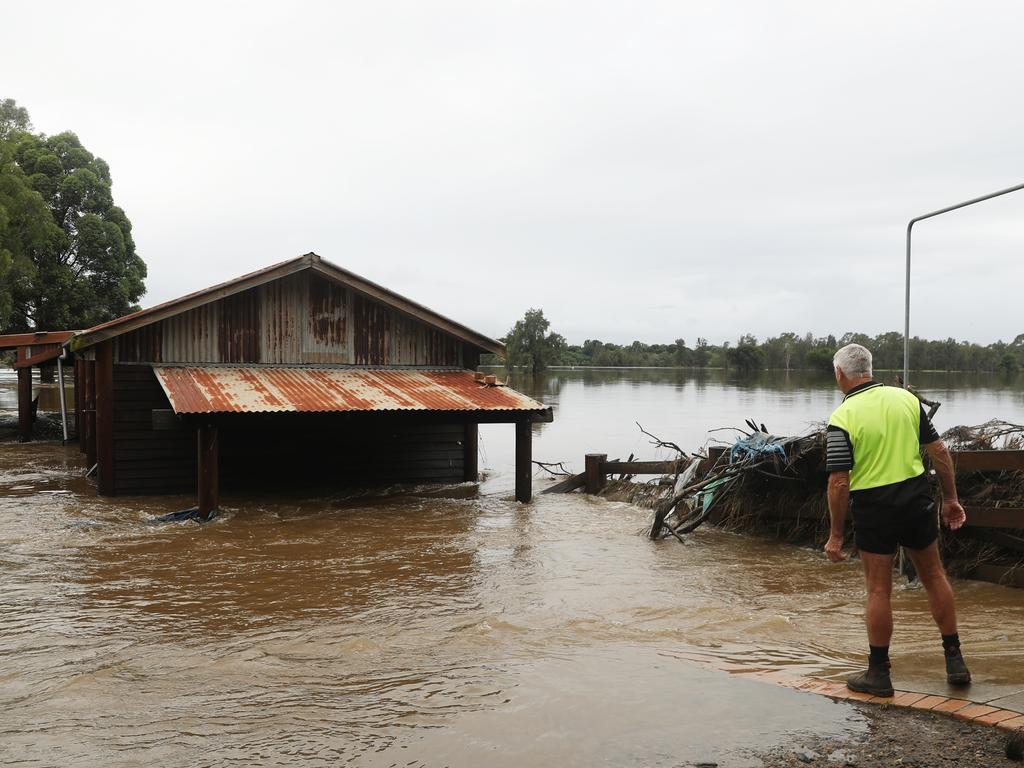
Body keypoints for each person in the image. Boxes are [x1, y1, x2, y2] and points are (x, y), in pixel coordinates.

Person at [824, 343, 970, 698]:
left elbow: (839, 481)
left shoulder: (842, 417)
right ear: (869, 369)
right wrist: (950, 499)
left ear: (840, 374)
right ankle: (955, 662)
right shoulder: (906, 400)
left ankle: (879, 673)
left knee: (878, 589)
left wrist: (836, 535)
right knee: (935, 575)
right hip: (916, 497)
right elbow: (940, 452)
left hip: (874, 505)